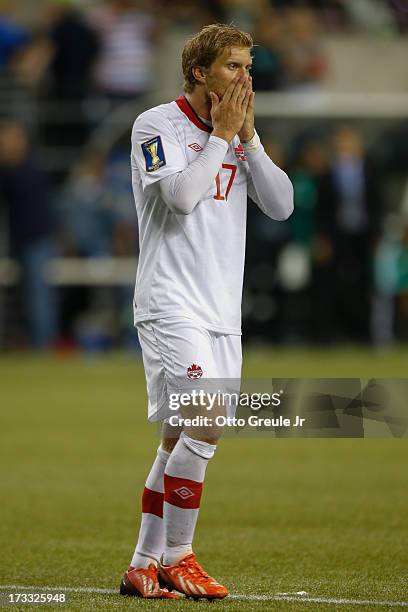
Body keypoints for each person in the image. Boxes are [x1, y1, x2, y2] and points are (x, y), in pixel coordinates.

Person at [120, 23, 294, 600]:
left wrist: (247, 140)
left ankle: (143, 562)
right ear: (200, 72)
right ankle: (179, 556)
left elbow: (281, 205)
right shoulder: (157, 125)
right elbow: (181, 196)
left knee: (177, 439)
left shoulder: (238, 137)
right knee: (206, 421)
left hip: (222, 311)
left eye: (249, 68)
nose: (246, 78)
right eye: (233, 67)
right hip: (172, 304)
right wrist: (220, 137)